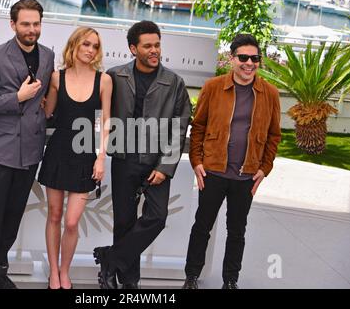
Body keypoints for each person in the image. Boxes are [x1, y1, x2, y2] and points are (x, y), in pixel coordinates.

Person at [93, 20, 192, 289]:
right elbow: (97, 108)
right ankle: (129, 282)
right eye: (147, 46)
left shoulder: (174, 83)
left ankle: (110, 259)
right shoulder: (115, 76)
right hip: (124, 159)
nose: (154, 50)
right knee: (124, 221)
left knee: (157, 217)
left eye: (157, 45)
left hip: (156, 162)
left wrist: (165, 166)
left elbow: (179, 126)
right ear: (133, 49)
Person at [182, 34, 281, 289]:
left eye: (255, 58)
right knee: (202, 226)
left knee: (237, 231)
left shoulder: (269, 93)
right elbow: (199, 126)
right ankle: (191, 277)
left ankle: (230, 281)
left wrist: (264, 168)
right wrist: (197, 161)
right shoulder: (213, 87)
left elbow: (274, 135)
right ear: (231, 58)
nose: (249, 63)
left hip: (246, 176)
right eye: (244, 58)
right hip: (213, 172)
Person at [0, 0, 54, 289]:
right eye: (26, 24)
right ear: (13, 25)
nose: (32, 29)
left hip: (30, 152)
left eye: (36, 24)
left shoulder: (48, 55)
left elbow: (44, 102)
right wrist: (16, 98)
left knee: (11, 220)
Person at [39, 27, 112, 290]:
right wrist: (37, 98)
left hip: (85, 155)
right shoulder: (56, 77)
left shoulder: (103, 81)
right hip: (58, 151)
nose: (91, 50)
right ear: (74, 46)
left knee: (71, 222)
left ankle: (65, 270)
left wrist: (101, 158)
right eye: (86, 44)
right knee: (55, 216)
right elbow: (48, 112)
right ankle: (54, 275)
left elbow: (106, 122)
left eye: (95, 46)